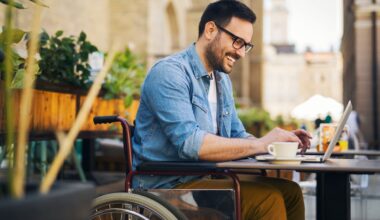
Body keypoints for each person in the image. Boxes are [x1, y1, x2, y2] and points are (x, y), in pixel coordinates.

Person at [132, 1, 311, 219]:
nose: (242, 53)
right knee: (267, 200)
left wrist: (275, 145)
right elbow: (190, 144)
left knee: (290, 191)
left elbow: (237, 135)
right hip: (169, 187)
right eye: (237, 42)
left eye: (246, 45)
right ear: (210, 30)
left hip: (208, 179)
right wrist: (261, 144)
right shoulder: (170, 73)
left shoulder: (221, 80)